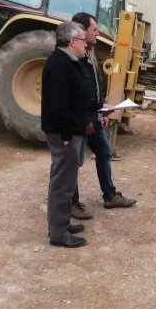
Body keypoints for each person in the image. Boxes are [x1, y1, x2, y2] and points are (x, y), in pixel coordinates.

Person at [69, 11, 137, 219]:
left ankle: (110, 196)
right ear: (81, 31)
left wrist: (103, 110)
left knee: (104, 151)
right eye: (94, 29)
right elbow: (78, 91)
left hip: (94, 116)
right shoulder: (73, 57)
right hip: (80, 119)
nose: (98, 33)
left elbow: (94, 85)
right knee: (73, 162)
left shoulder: (90, 52)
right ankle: (72, 203)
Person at [40, 20, 91, 248]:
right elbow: (58, 104)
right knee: (62, 183)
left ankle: (61, 224)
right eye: (82, 40)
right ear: (72, 41)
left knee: (65, 180)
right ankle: (59, 233)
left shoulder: (68, 61)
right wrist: (67, 132)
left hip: (70, 130)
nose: (86, 45)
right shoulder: (60, 64)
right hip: (64, 133)